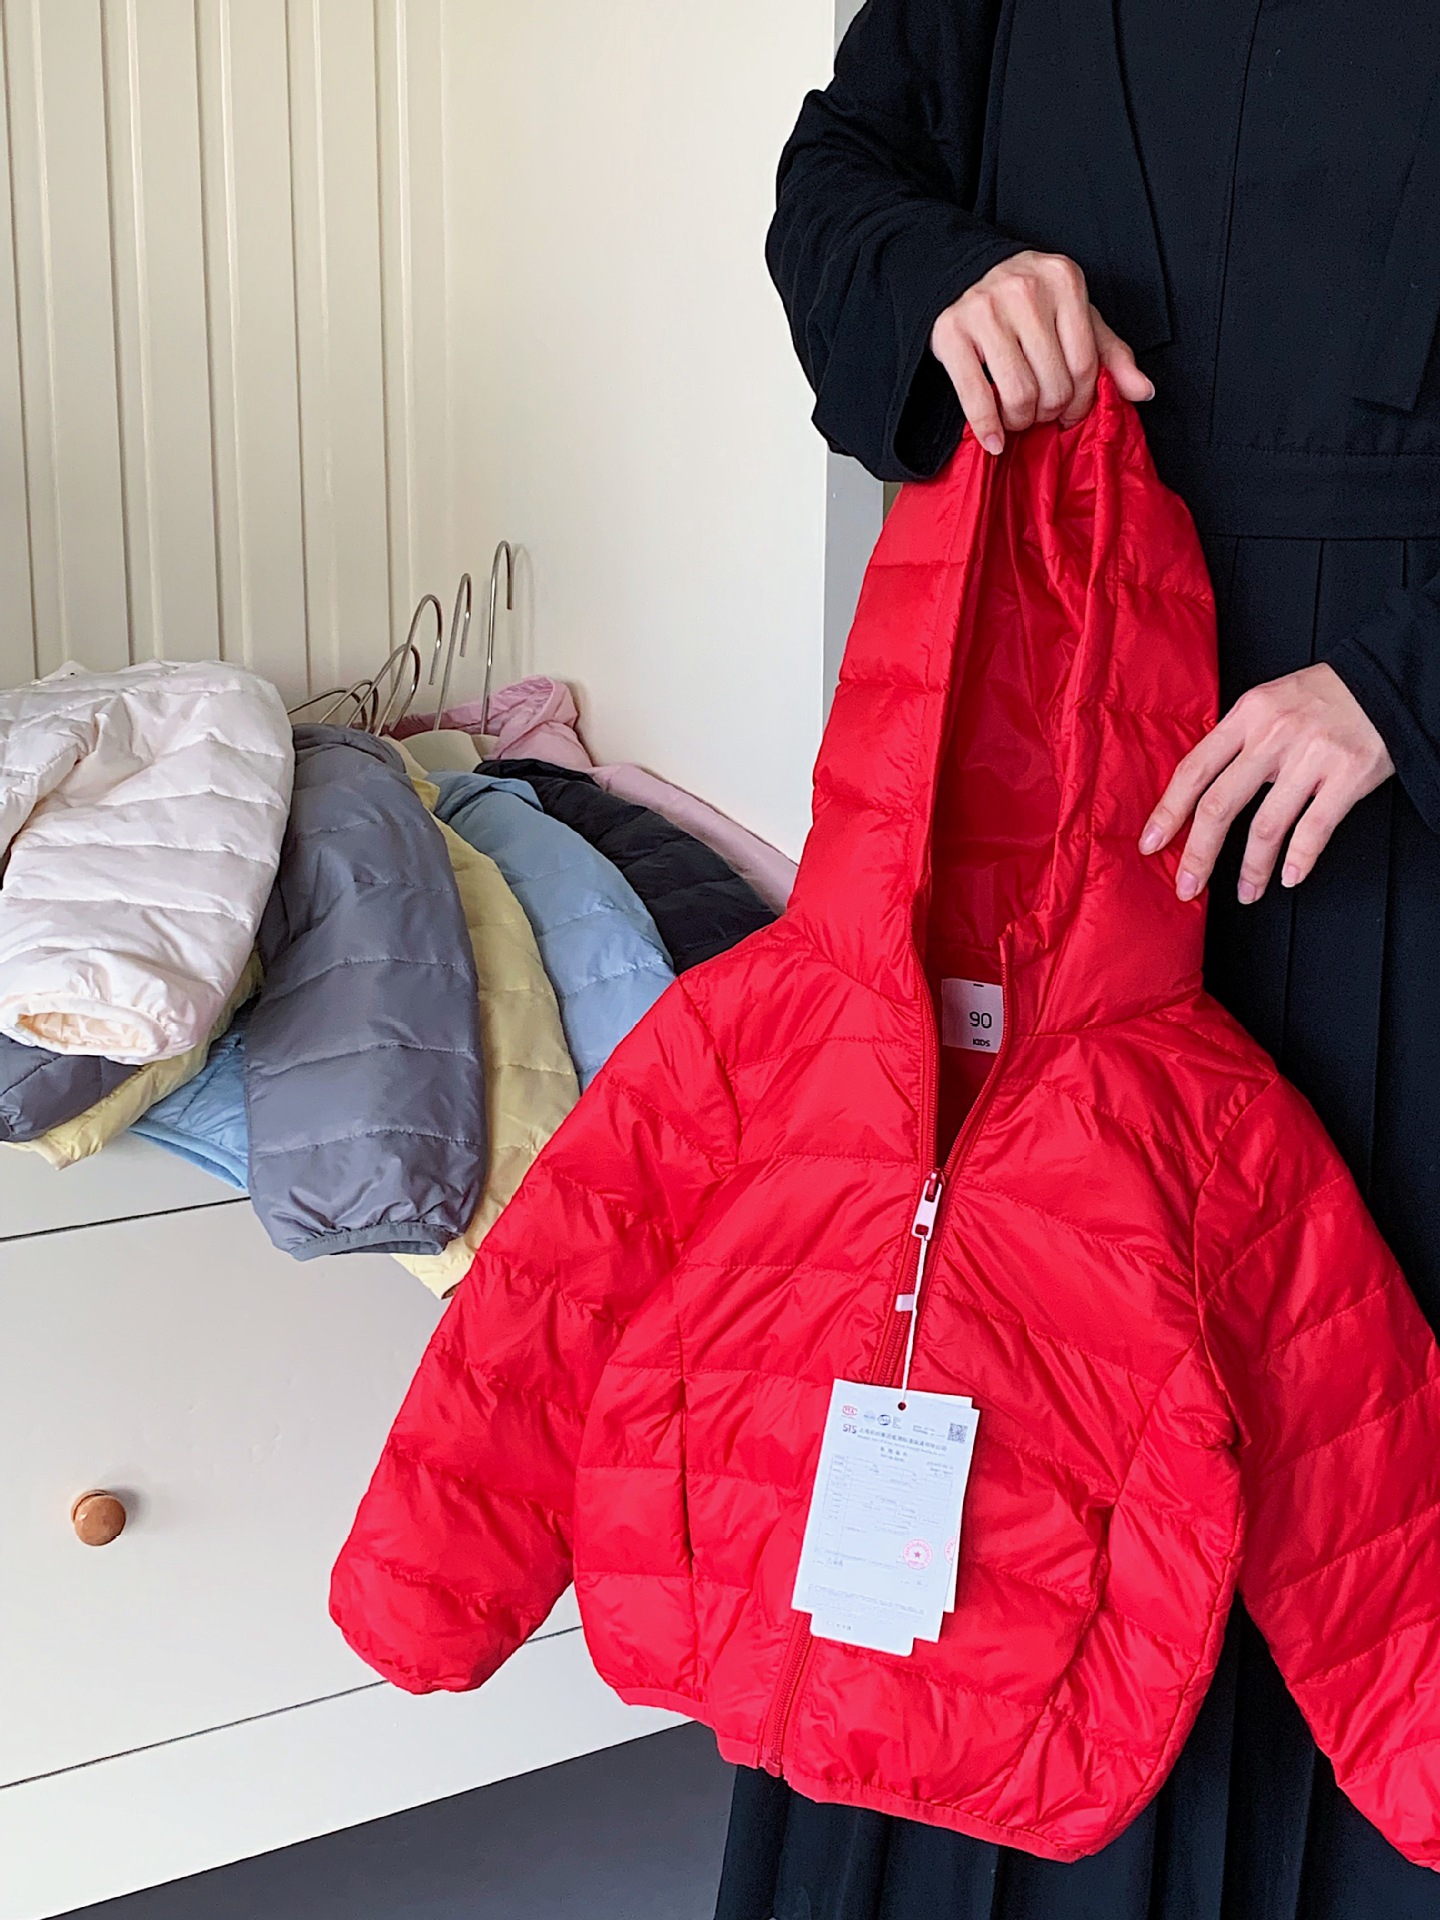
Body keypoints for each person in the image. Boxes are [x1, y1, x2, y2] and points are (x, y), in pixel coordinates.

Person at [714, 4, 1440, 1918]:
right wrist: (943, 284)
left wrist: (1412, 690)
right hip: (1033, 756)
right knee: (973, 1375)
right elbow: (837, 184)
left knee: (1355, 1485)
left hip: (1389, 835)